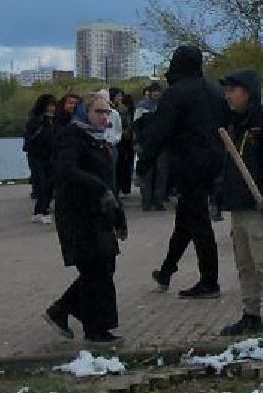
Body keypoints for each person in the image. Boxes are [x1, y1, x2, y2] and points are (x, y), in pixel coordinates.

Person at [42, 92, 127, 343]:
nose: (104, 117)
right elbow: (67, 170)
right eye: (98, 111)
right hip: (78, 214)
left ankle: (62, 310)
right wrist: (99, 189)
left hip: (99, 214)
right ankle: (96, 329)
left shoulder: (100, 139)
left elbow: (109, 182)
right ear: (84, 113)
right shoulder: (72, 136)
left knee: (103, 266)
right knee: (95, 269)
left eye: (107, 112)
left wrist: (118, 215)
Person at [217, 70, 263, 336]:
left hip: (260, 205)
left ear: (247, 92)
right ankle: (251, 314)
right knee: (245, 264)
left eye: (232, 90)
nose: (227, 96)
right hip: (239, 204)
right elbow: (229, 164)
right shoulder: (234, 122)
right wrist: (221, 194)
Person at [147, 46, 227, 299]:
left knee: (198, 222)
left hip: (189, 163)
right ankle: (166, 271)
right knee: (186, 219)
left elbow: (160, 131)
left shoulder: (176, 93)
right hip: (216, 161)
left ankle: (209, 281)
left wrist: (145, 161)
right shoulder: (216, 90)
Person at [133, 83, 168, 212]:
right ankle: (146, 201)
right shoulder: (142, 107)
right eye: (154, 91)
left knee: (161, 174)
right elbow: (136, 126)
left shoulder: (165, 106)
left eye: (158, 91)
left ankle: (159, 201)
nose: (156, 94)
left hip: (162, 145)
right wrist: (136, 142)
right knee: (146, 173)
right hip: (145, 145)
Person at [24, 94, 58, 225]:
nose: (52, 108)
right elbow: (31, 137)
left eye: (53, 105)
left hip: (49, 156)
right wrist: (43, 122)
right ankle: (41, 212)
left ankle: (41, 211)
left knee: (49, 184)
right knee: (41, 183)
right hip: (36, 156)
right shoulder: (35, 120)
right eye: (49, 105)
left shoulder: (53, 120)